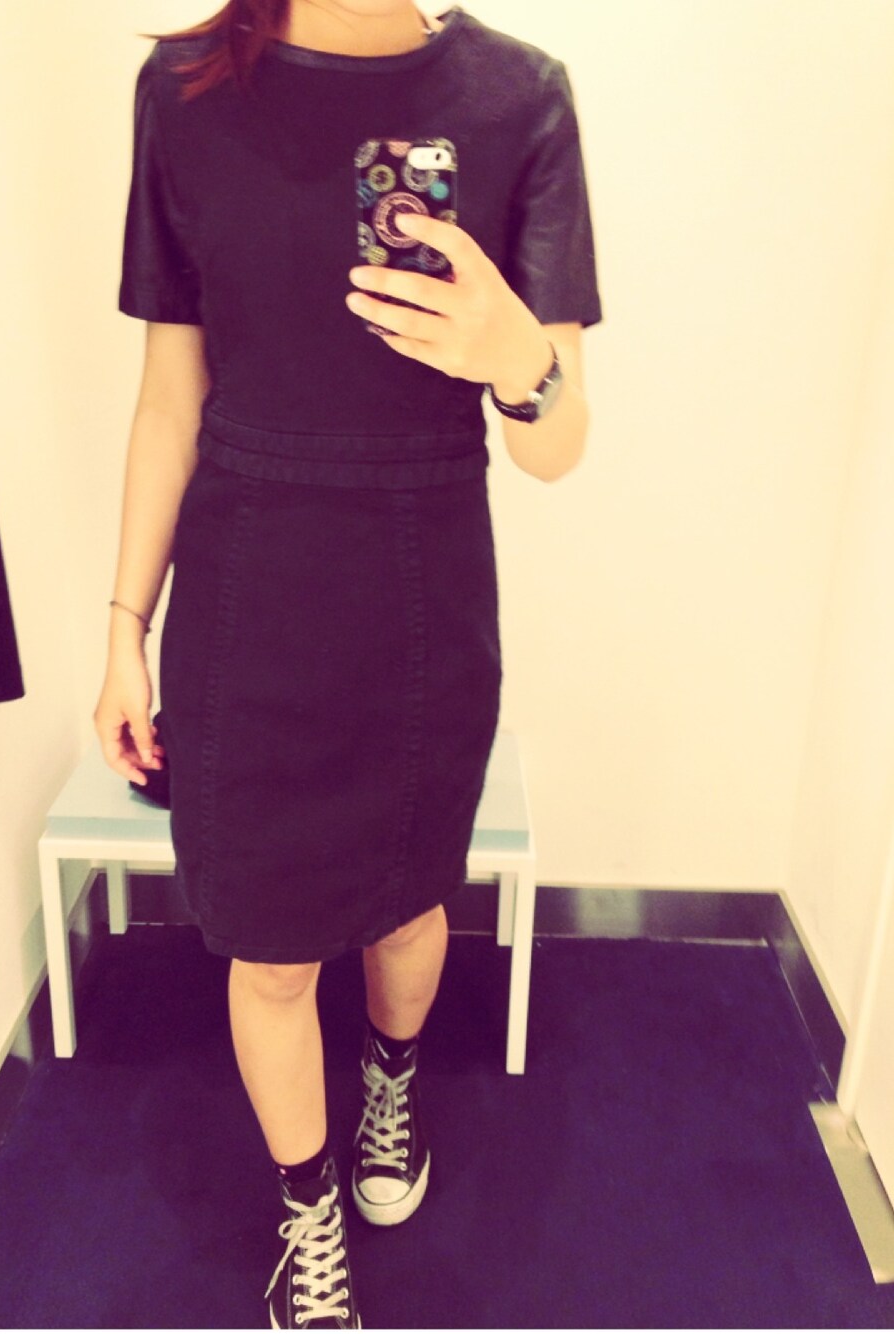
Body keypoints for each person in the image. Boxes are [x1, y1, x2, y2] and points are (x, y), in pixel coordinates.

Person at [93, 0, 602, 1326]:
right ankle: (305, 1207)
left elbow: (558, 444)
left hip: (425, 585)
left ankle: (390, 1082)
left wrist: (517, 359)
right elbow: (169, 395)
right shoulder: (185, 94)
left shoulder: (518, 100)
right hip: (247, 587)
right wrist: (124, 627)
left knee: (409, 904)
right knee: (266, 950)